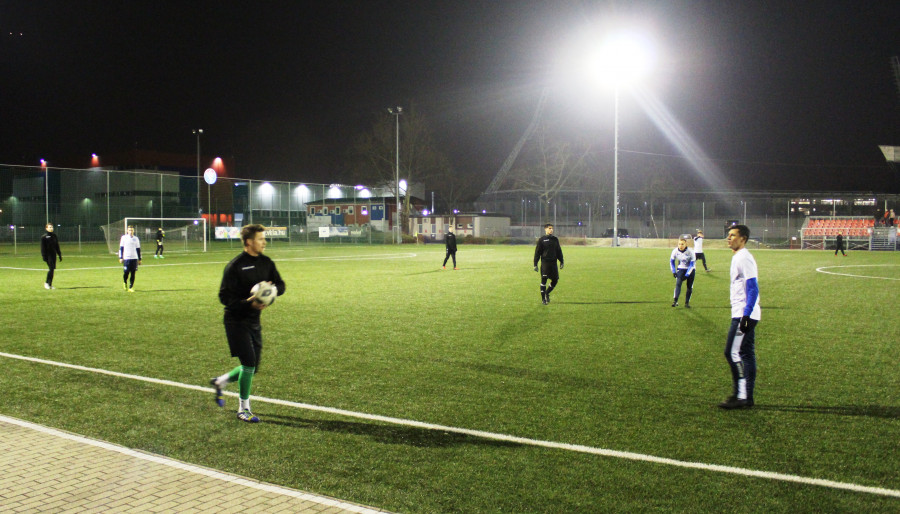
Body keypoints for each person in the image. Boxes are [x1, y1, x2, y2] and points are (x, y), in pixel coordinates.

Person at [210, 224, 285, 423]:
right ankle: (243, 409)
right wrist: (248, 302)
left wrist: (271, 291)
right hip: (235, 320)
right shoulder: (235, 266)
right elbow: (224, 297)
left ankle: (220, 381)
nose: (264, 242)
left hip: (253, 320)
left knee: (252, 366)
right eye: (261, 239)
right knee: (249, 362)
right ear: (249, 242)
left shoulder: (266, 263)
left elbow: (281, 285)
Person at [720, 224, 761, 410]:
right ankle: (747, 397)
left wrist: (746, 314)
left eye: (733, 235)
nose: (729, 238)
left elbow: (753, 288)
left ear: (743, 239)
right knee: (746, 353)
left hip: (744, 314)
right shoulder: (739, 257)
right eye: (728, 235)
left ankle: (741, 396)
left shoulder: (744, 257)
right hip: (746, 313)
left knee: (731, 352)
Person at [533, 223, 564, 305]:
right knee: (544, 280)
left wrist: (561, 261)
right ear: (545, 229)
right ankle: (543, 299)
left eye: (552, 228)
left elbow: (559, 251)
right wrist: (535, 264)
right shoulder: (542, 240)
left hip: (553, 263)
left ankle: (547, 293)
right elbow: (537, 252)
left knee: (555, 280)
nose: (551, 230)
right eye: (549, 228)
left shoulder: (555, 239)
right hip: (545, 263)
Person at [670, 237, 696, 308]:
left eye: (682, 244)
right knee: (678, 283)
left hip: (691, 270)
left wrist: (687, 274)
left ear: (686, 244)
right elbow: (672, 261)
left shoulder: (691, 251)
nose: (680, 246)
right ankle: (675, 301)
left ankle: (687, 303)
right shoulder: (675, 251)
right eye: (679, 244)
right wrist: (673, 271)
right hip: (681, 268)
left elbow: (692, 264)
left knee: (689, 286)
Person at [118, 226, 141, 292]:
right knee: (126, 272)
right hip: (126, 258)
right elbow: (121, 248)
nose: (131, 231)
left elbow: (138, 249)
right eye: (129, 230)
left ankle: (131, 287)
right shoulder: (124, 238)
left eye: (132, 230)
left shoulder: (136, 238)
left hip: (134, 258)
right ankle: (125, 282)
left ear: (133, 231)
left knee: (133, 273)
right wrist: (121, 257)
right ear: (127, 231)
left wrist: (139, 259)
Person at [40, 223, 62, 290]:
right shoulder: (44, 237)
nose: (51, 228)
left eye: (52, 227)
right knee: (51, 268)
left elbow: (57, 246)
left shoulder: (54, 236)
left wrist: (59, 254)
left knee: (52, 270)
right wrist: (44, 256)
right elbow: (42, 247)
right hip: (48, 255)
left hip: (53, 255)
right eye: (49, 227)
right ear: (46, 228)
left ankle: (50, 284)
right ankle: (46, 283)